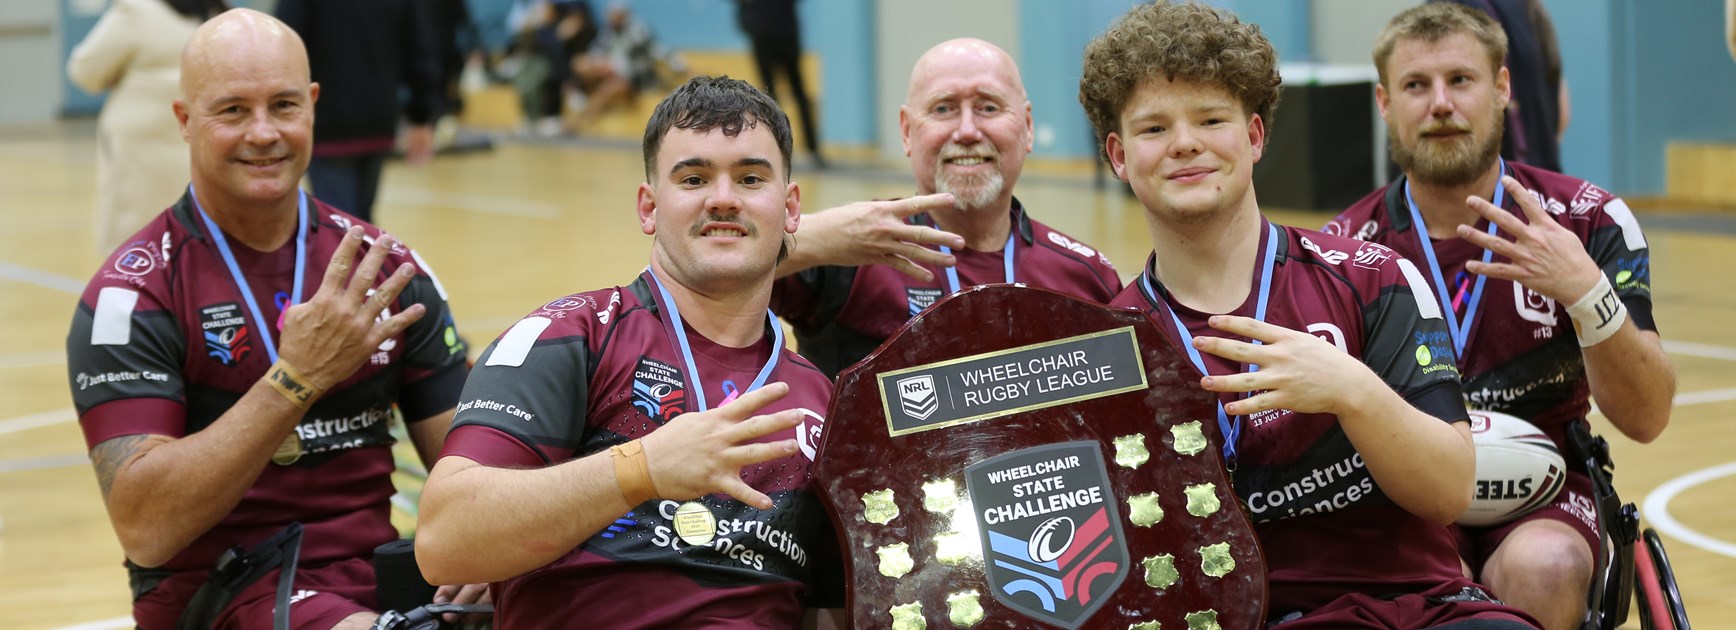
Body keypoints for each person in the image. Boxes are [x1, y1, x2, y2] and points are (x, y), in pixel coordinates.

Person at [1078, 2, 1538, 627]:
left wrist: (1351, 390)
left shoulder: (1372, 278)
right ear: (1119, 156)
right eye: (1153, 129)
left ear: (1256, 136)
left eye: (1212, 119)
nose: (1185, 143)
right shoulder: (1108, 344)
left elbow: (1449, 492)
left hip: (1420, 609)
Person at [64, 9, 482, 628]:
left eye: (283, 106)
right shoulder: (132, 296)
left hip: (379, 576)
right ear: (185, 120)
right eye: (232, 111)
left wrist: (494, 556)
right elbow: (146, 526)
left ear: (312, 105)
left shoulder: (385, 269)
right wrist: (296, 379)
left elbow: (472, 454)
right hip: (224, 590)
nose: (263, 133)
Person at [416, 76, 843, 628]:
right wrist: (640, 469)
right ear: (648, 207)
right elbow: (444, 540)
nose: (722, 198)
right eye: (693, 177)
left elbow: (831, 606)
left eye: (750, 178)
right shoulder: (571, 335)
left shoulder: (821, 401)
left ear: (789, 209)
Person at [1328, 5, 1676, 628]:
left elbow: (1647, 417)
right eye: (1415, 85)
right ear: (1384, 102)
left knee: (1543, 568)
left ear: (1503, 89)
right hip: (1407, 493)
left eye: (1460, 80)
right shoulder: (1344, 250)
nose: (1440, 104)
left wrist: (1585, 292)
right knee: (1420, 591)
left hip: (1549, 489)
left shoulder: (1587, 220)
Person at [772, 38, 1122, 378]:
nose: (967, 131)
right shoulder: (849, 256)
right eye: (943, 109)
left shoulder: (1085, 276)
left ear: (1027, 127)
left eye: (988, 107)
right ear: (908, 132)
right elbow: (721, 276)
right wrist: (820, 237)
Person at [67, 0, 228, 253]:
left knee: (137, 239)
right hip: (205, 137)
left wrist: (116, 73)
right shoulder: (219, 15)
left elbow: (84, 70)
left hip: (140, 147)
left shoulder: (137, 11)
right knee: (198, 238)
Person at [277, 0, 442, 224]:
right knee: (358, 228)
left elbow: (283, 49)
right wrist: (422, 116)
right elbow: (421, 50)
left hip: (329, 127)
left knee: (341, 231)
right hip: (377, 119)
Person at [1434, 0, 1565, 170]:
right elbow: (1562, 113)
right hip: (1541, 182)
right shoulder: (1533, 11)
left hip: (1482, 182)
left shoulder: (1447, 10)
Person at [569, 3, 689, 132]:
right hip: (610, 72)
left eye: (613, 14)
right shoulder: (608, 30)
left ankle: (581, 121)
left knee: (608, 88)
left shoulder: (638, 30)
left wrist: (680, 67)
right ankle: (580, 96)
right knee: (580, 63)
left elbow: (658, 50)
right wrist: (600, 64)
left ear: (623, 14)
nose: (610, 17)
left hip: (635, 79)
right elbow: (597, 50)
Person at [734, 0, 824, 166]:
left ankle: (810, 150)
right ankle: (778, 150)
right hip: (768, 32)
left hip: (781, 31)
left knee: (794, 93)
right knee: (772, 96)